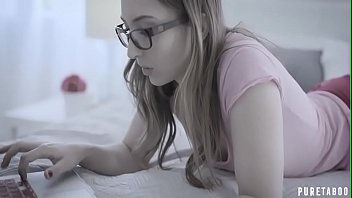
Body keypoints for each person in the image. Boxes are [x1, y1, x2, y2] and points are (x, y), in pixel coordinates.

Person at [0, 0, 349, 197]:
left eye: (146, 30)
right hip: (319, 101)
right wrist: (77, 149)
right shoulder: (166, 72)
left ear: (197, 19)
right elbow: (132, 153)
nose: (133, 52)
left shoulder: (243, 65)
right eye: (129, 30)